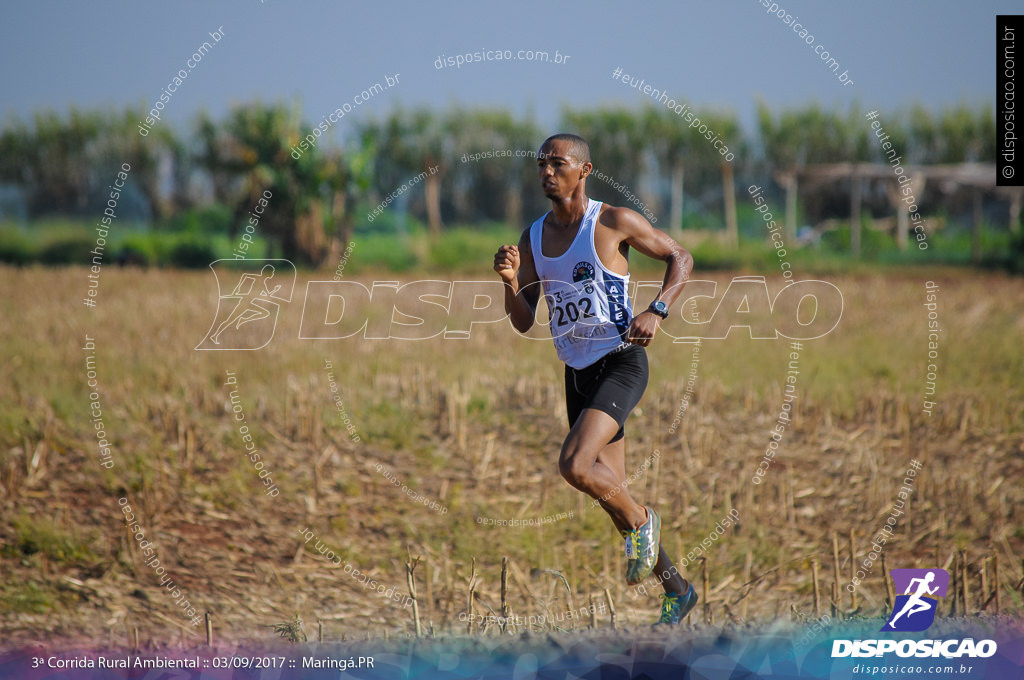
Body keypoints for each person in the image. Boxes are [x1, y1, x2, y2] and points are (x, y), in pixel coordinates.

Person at [492, 133, 697, 625]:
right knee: (612, 495)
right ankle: (678, 590)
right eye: (541, 163)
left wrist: (658, 309)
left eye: (556, 163)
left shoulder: (612, 221)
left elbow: (681, 258)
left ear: (583, 170)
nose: (546, 171)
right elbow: (524, 320)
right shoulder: (533, 239)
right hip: (577, 374)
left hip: (622, 360)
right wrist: (507, 284)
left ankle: (646, 522)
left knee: (576, 465)